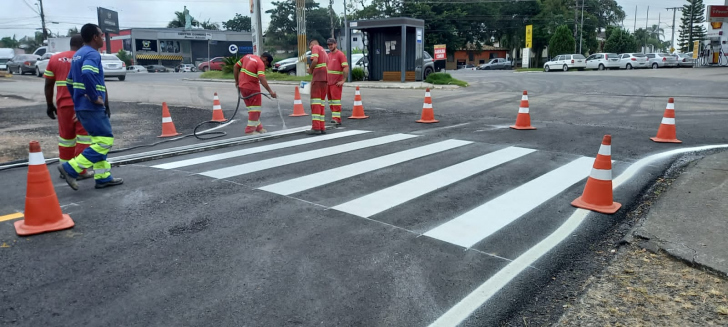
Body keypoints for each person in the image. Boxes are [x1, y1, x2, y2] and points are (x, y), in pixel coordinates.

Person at [58, 23, 123, 190]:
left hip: (82, 106)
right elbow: (87, 73)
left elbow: (69, 82)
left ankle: (103, 177)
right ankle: (70, 168)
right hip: (92, 107)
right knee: (105, 141)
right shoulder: (92, 54)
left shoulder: (78, 55)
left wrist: (77, 101)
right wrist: (94, 97)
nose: (102, 38)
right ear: (95, 37)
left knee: (97, 141)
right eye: (101, 35)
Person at [44, 35, 94, 180]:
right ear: (83, 44)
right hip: (82, 104)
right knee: (84, 139)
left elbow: (48, 85)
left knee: (66, 139)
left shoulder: (55, 59)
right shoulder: (84, 58)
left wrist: (49, 105)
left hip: (63, 105)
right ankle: (78, 170)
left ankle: (64, 169)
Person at [233, 52, 277, 135]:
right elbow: (261, 78)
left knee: (251, 108)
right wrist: (270, 91)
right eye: (267, 63)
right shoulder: (260, 63)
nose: (265, 65)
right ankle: (249, 130)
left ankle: (258, 127)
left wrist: (236, 81)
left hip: (242, 87)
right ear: (265, 58)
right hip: (252, 87)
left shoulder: (247, 56)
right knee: (255, 109)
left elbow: (235, 66)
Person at [325, 38, 348, 127]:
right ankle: (334, 117)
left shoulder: (340, 55)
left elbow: (346, 67)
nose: (330, 46)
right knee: (331, 101)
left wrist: (343, 80)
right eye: (329, 45)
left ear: (336, 44)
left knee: (336, 101)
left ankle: (337, 119)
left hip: (336, 83)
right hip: (328, 83)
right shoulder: (329, 55)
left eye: (331, 44)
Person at [307, 39, 328, 135]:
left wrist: (311, 69)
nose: (310, 49)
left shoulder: (315, 47)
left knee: (315, 103)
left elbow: (315, 60)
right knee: (321, 104)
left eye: (309, 47)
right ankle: (322, 127)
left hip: (318, 78)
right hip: (325, 79)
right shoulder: (324, 52)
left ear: (312, 44)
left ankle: (316, 127)